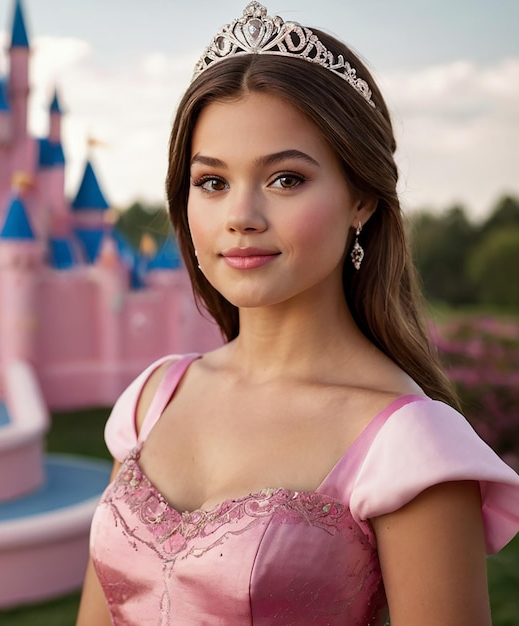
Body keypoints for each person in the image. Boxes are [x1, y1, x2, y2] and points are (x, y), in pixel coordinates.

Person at [76, 3, 519, 624]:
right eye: (212, 182)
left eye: (285, 179)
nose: (241, 216)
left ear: (362, 198)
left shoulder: (410, 447)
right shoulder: (152, 401)